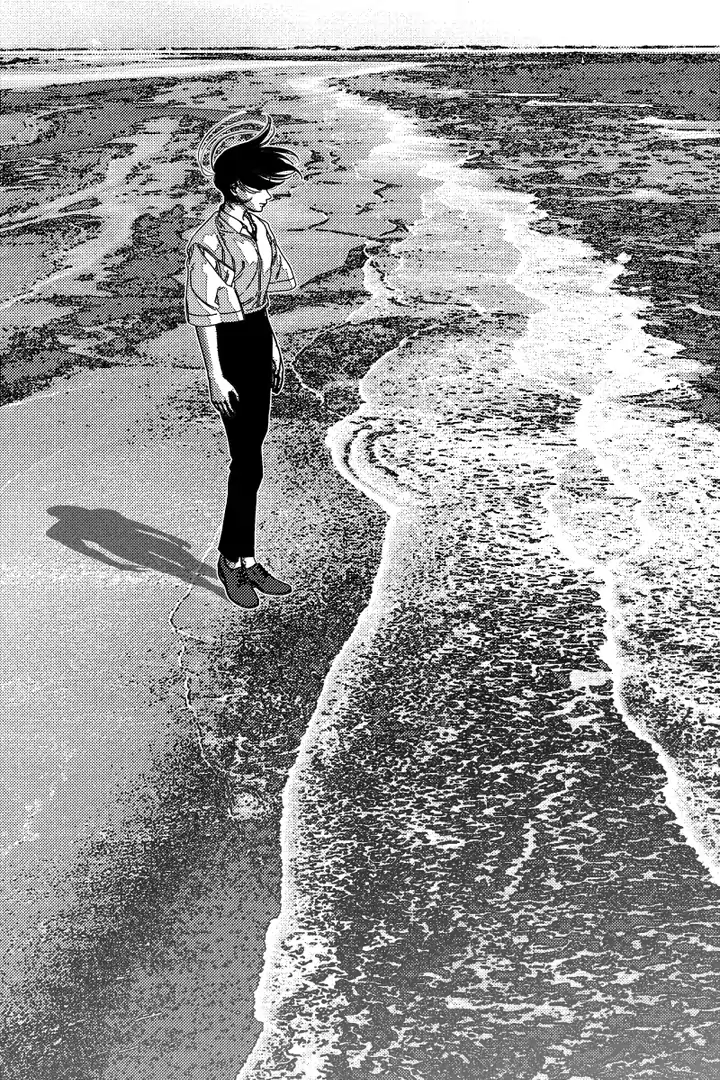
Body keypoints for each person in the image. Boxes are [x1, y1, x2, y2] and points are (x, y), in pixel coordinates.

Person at [184, 113, 302, 608]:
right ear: (235, 186)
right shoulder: (208, 240)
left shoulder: (259, 227)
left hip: (255, 335)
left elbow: (261, 300)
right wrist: (216, 376)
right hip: (228, 345)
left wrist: (272, 346)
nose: (269, 194)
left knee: (253, 455)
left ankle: (245, 558)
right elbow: (205, 315)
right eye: (261, 186)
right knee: (246, 459)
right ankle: (231, 560)